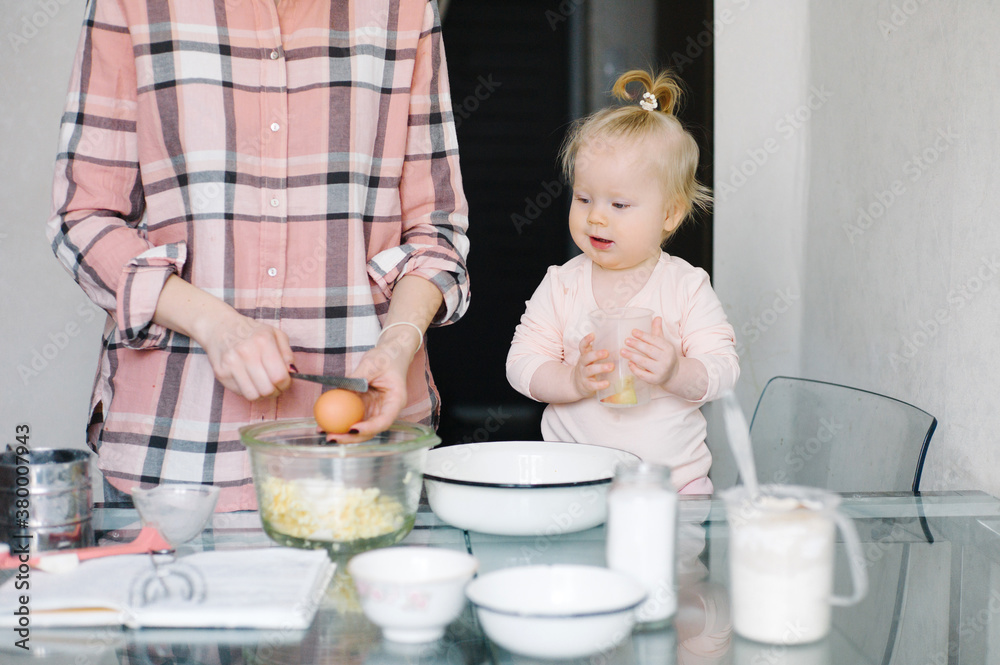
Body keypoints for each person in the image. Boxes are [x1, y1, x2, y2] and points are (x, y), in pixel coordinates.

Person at [46, 0, 470, 511]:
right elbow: (84, 217)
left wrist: (399, 341)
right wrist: (215, 326)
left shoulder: (402, 11)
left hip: (363, 456)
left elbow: (435, 229)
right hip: (175, 452)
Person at [506, 69, 737, 494]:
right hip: (573, 484)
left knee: (676, 563)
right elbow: (521, 365)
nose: (597, 216)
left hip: (674, 488)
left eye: (619, 203)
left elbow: (723, 371)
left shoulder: (686, 287)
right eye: (584, 198)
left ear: (669, 214)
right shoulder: (561, 285)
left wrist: (674, 370)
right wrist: (571, 381)